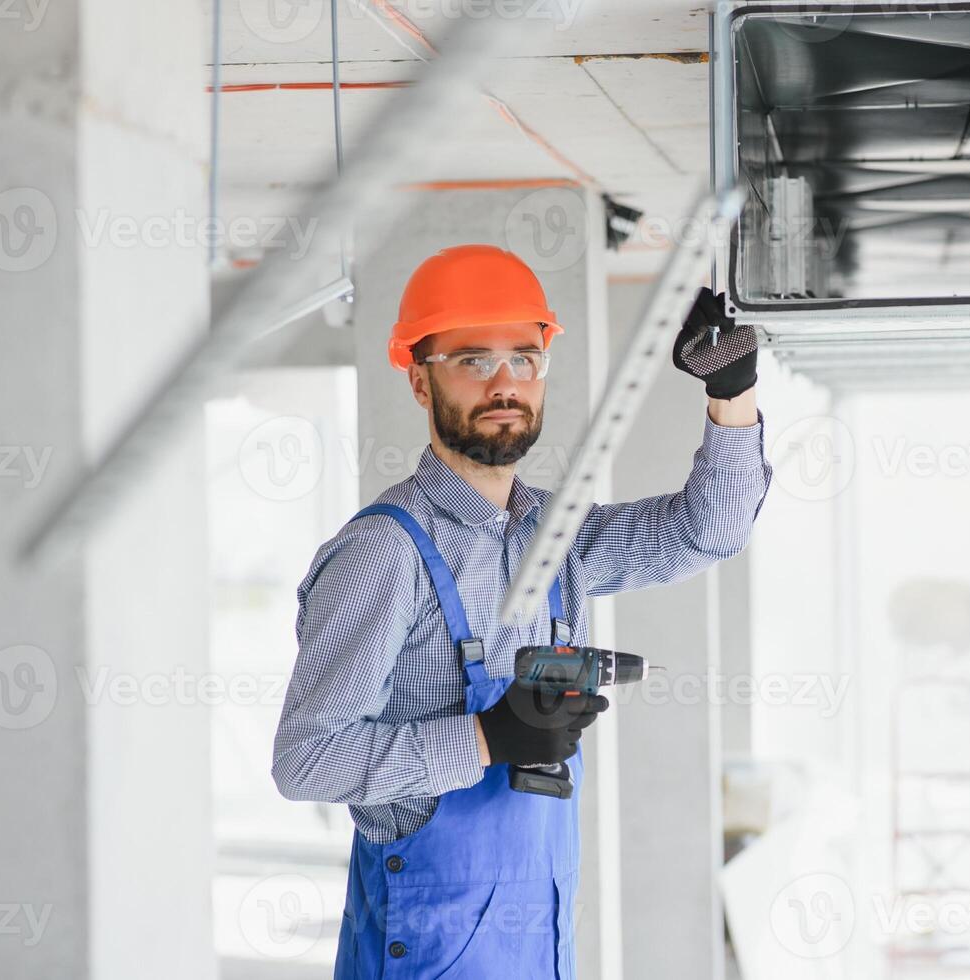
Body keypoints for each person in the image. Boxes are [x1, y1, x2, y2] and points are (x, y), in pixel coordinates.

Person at [272, 243, 773, 978]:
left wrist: (732, 394)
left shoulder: (556, 534)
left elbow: (710, 530)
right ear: (419, 381)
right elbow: (305, 762)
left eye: (524, 358)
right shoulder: (387, 553)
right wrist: (482, 738)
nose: (505, 382)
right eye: (473, 360)